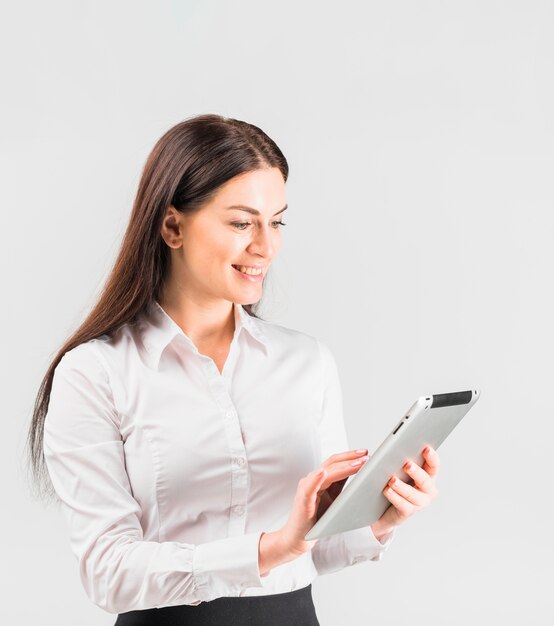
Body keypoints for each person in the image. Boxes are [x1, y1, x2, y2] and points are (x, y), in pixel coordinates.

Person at [27, 114, 441, 625]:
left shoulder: (306, 363)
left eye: (278, 221)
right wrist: (269, 548)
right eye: (243, 223)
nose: (267, 246)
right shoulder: (95, 373)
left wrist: (380, 518)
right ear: (172, 226)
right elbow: (108, 572)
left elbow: (318, 550)